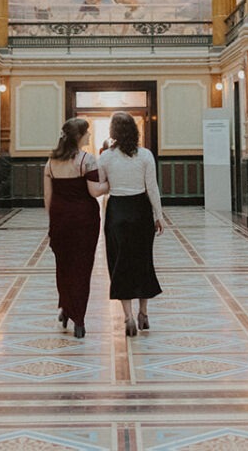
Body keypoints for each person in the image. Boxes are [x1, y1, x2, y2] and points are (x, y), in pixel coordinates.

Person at [97, 111, 165, 336]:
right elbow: (152, 187)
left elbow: (101, 185)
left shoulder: (105, 157)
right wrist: (158, 215)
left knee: (120, 262)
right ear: (135, 131)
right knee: (143, 261)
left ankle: (128, 317)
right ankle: (143, 313)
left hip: (117, 210)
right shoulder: (145, 155)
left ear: (113, 131)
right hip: (141, 210)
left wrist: (115, 182)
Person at [43, 118, 107, 338]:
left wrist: (53, 221)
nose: (89, 136)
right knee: (82, 268)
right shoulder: (87, 160)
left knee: (63, 266)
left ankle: (66, 307)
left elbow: (48, 197)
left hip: (60, 219)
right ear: (79, 136)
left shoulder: (51, 162)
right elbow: (94, 192)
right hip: (84, 220)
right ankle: (78, 318)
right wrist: (109, 185)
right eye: (86, 132)